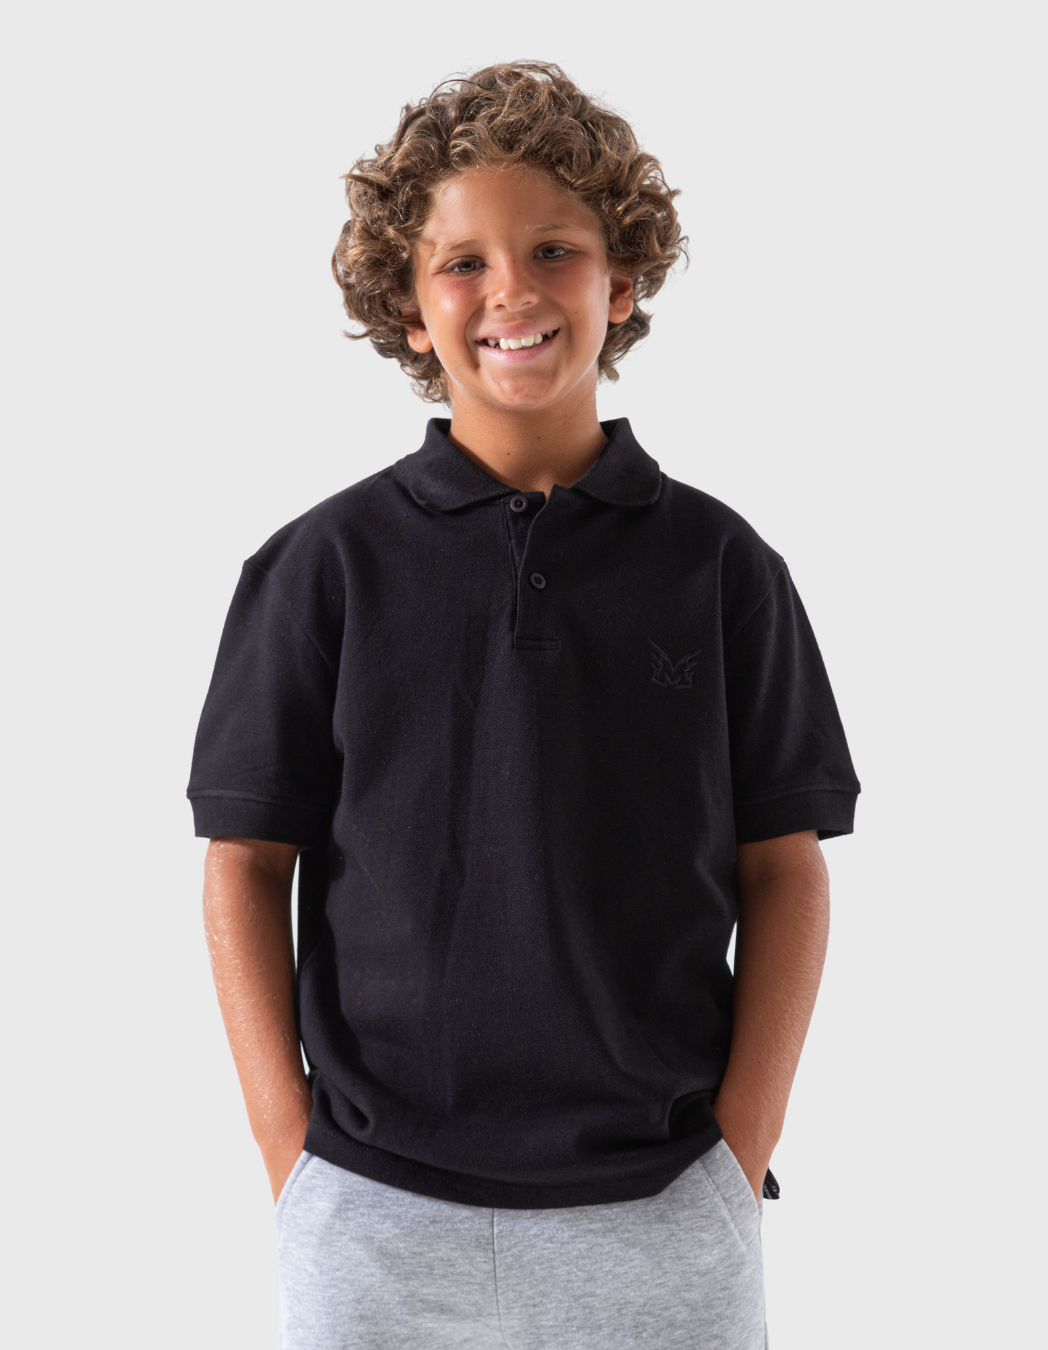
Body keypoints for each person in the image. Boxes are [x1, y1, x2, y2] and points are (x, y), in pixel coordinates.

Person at [188, 61, 860, 1350]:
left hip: (662, 1206)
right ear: (407, 304)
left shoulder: (723, 568)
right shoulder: (320, 568)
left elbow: (786, 865)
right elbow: (245, 861)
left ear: (623, 282)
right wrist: (292, 1156)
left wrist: (738, 1153)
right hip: (372, 1209)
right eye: (463, 263)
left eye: (555, 249)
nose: (513, 291)